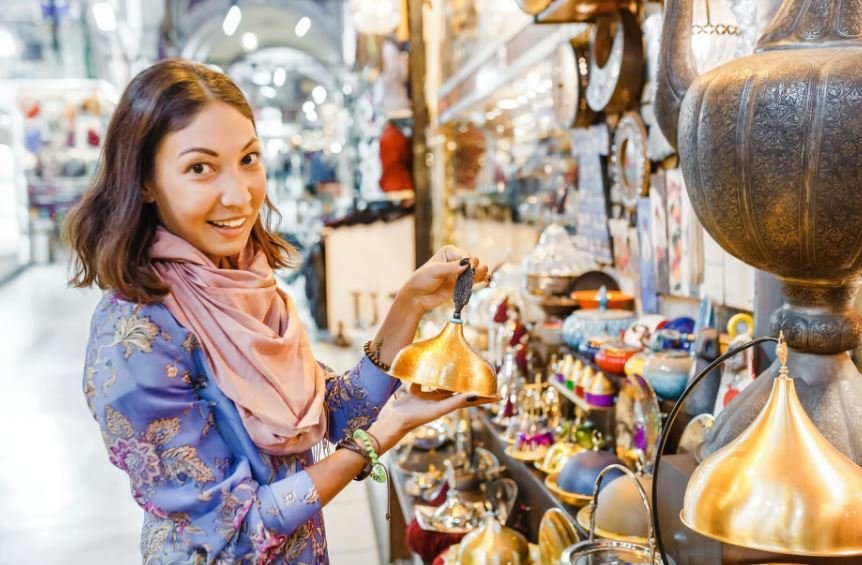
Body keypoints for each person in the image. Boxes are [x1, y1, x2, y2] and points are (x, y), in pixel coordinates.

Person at [63, 59, 493, 564]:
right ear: (144, 181)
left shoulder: (247, 283)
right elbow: (236, 532)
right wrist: (380, 437)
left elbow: (334, 413)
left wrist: (410, 305)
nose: (239, 195)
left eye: (248, 159)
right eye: (200, 168)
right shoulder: (136, 336)